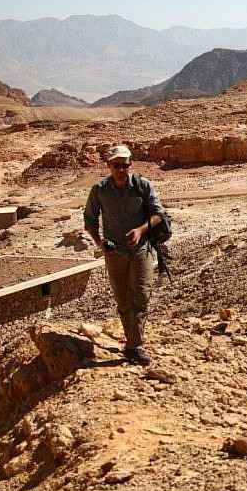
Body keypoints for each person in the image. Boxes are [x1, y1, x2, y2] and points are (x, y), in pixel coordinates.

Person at [83, 145, 164, 366]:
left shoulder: (142, 186)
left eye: (125, 165)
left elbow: (159, 214)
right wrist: (100, 243)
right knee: (122, 299)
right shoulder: (99, 190)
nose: (121, 169)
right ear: (108, 166)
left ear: (131, 165)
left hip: (141, 250)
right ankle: (132, 341)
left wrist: (140, 230)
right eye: (116, 165)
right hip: (114, 252)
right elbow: (89, 220)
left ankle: (134, 345)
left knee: (140, 294)